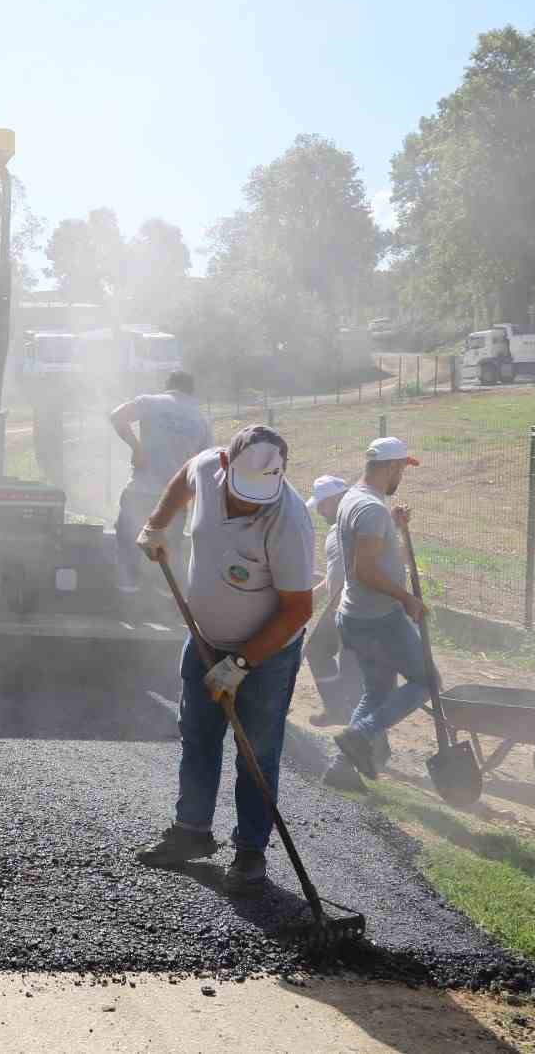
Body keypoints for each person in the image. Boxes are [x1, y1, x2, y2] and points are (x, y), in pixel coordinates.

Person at [132, 425, 316, 890]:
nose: (248, 503)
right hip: (205, 639)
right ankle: (190, 832)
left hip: (267, 654)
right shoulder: (209, 466)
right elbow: (184, 476)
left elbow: (298, 608)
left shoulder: (288, 520)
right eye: (241, 491)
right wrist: (157, 523)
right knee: (198, 735)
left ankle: (250, 852)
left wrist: (239, 666)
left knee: (256, 751)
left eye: (258, 495)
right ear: (227, 466)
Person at [327, 437, 430, 788]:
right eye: (402, 467)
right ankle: (361, 736)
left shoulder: (357, 500)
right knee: (426, 681)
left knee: (377, 693)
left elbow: (375, 552)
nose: (403, 474)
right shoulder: (370, 510)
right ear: (388, 467)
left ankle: (341, 769)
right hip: (377, 619)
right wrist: (407, 599)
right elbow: (366, 571)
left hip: (356, 615)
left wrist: (395, 526)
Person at [109, 370, 211, 594]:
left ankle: (127, 594)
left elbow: (116, 416)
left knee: (128, 544)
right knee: (168, 554)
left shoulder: (150, 402)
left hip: (140, 490)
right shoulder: (201, 419)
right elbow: (203, 463)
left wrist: (137, 448)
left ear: (168, 385)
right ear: (191, 391)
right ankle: (165, 599)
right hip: (174, 499)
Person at [304, 474, 364, 729]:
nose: (318, 510)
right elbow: (334, 578)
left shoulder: (340, 530)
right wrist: (311, 598)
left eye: (321, 504)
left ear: (335, 499)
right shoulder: (355, 520)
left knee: (353, 672)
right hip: (355, 603)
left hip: (353, 609)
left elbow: (339, 582)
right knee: (317, 648)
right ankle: (338, 710)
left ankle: (366, 734)